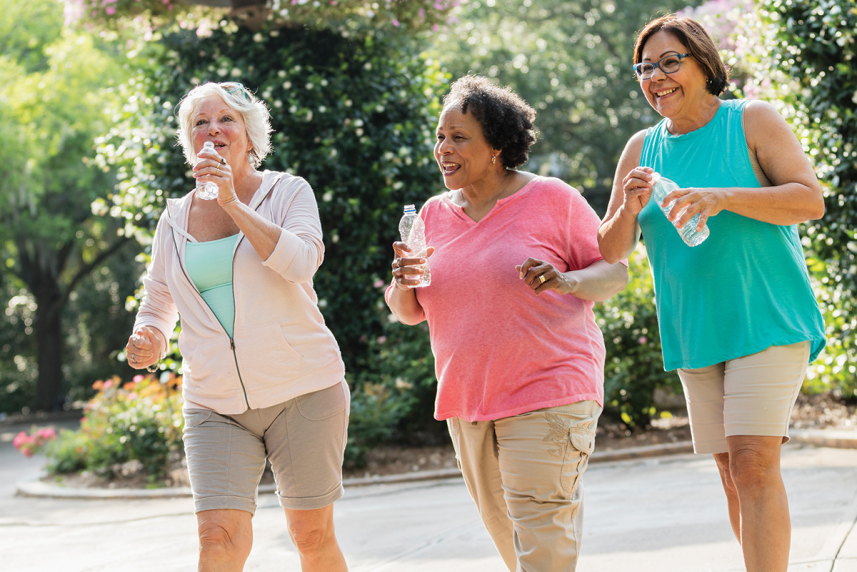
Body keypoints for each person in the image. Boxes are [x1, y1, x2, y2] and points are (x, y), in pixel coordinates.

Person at [598, 15, 826, 572]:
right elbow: (610, 248)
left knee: (752, 462)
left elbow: (809, 200)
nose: (656, 77)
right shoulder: (640, 148)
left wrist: (722, 197)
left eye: (669, 62)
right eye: (645, 68)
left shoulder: (750, 120)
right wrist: (628, 208)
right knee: (730, 473)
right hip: (695, 331)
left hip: (765, 318)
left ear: (703, 63)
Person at [386, 75, 628, 571]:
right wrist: (402, 281)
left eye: (459, 137)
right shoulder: (430, 215)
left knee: (541, 539)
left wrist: (566, 281)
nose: (443, 148)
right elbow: (407, 311)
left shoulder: (553, 198)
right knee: (513, 544)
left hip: (550, 389)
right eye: (440, 136)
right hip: (469, 401)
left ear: (496, 146)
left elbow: (613, 272)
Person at [124, 82, 349, 572]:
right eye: (200, 122)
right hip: (214, 402)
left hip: (303, 389)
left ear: (250, 134)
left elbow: (301, 262)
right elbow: (158, 298)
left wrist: (231, 201)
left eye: (226, 119)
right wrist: (150, 335)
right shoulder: (174, 218)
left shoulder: (288, 192)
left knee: (311, 536)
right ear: (190, 140)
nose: (213, 129)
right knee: (217, 539)